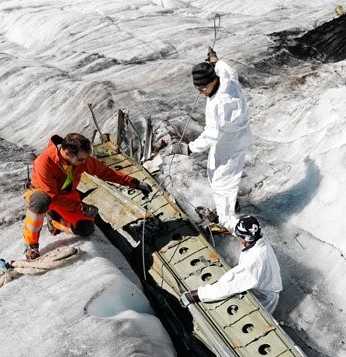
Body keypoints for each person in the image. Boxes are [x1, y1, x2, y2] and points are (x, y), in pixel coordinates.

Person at [22, 133, 152, 260]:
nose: (84, 162)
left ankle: (55, 221)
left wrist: (134, 183)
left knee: (86, 229)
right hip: (45, 195)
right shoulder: (44, 162)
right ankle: (31, 245)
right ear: (68, 153)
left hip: (66, 198)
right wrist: (81, 207)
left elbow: (105, 172)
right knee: (41, 201)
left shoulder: (81, 159)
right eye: (81, 160)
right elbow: (53, 196)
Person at [170, 48, 252, 232]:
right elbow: (227, 69)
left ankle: (227, 221)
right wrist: (216, 61)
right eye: (197, 89)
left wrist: (188, 149)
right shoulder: (226, 79)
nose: (200, 92)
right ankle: (230, 206)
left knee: (222, 181)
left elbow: (212, 134)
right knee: (216, 175)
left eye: (203, 88)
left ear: (213, 81)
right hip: (234, 137)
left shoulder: (220, 102)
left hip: (230, 143)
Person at [179, 215, 282, 313]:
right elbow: (236, 225)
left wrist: (197, 295)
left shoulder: (254, 261)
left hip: (264, 298)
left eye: (238, 235)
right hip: (265, 283)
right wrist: (219, 219)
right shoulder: (258, 237)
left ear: (246, 239)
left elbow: (229, 286)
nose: (236, 235)